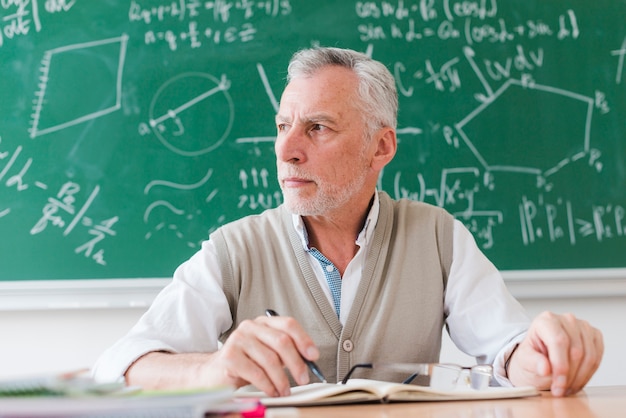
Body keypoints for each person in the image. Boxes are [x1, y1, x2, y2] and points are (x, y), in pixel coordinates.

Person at [92, 47, 603, 398]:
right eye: (282, 126)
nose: (286, 151)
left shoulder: (437, 236)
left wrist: (548, 359)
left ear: (381, 147)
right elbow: (118, 368)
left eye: (317, 128)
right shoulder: (236, 249)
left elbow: (509, 352)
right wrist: (212, 368)